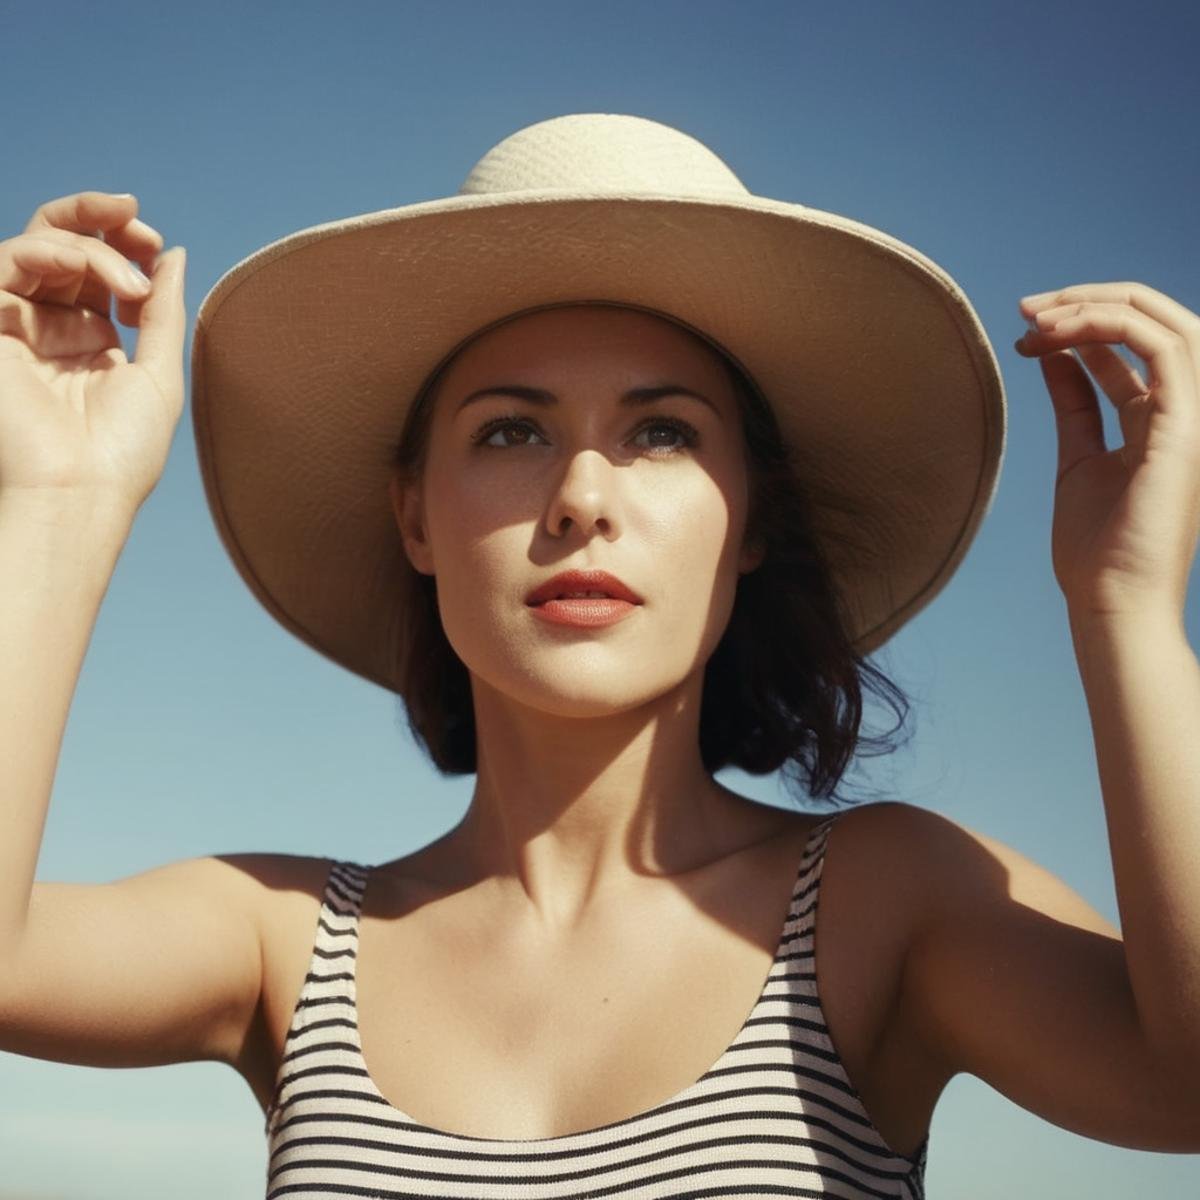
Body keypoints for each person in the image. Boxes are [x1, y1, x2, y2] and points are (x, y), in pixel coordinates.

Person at [1, 113, 1198, 1198]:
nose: (581, 496)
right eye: (512, 431)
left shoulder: (890, 905)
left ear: (752, 522)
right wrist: (58, 499)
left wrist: (1125, 608)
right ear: (416, 516)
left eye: (662, 433)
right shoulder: (286, 939)